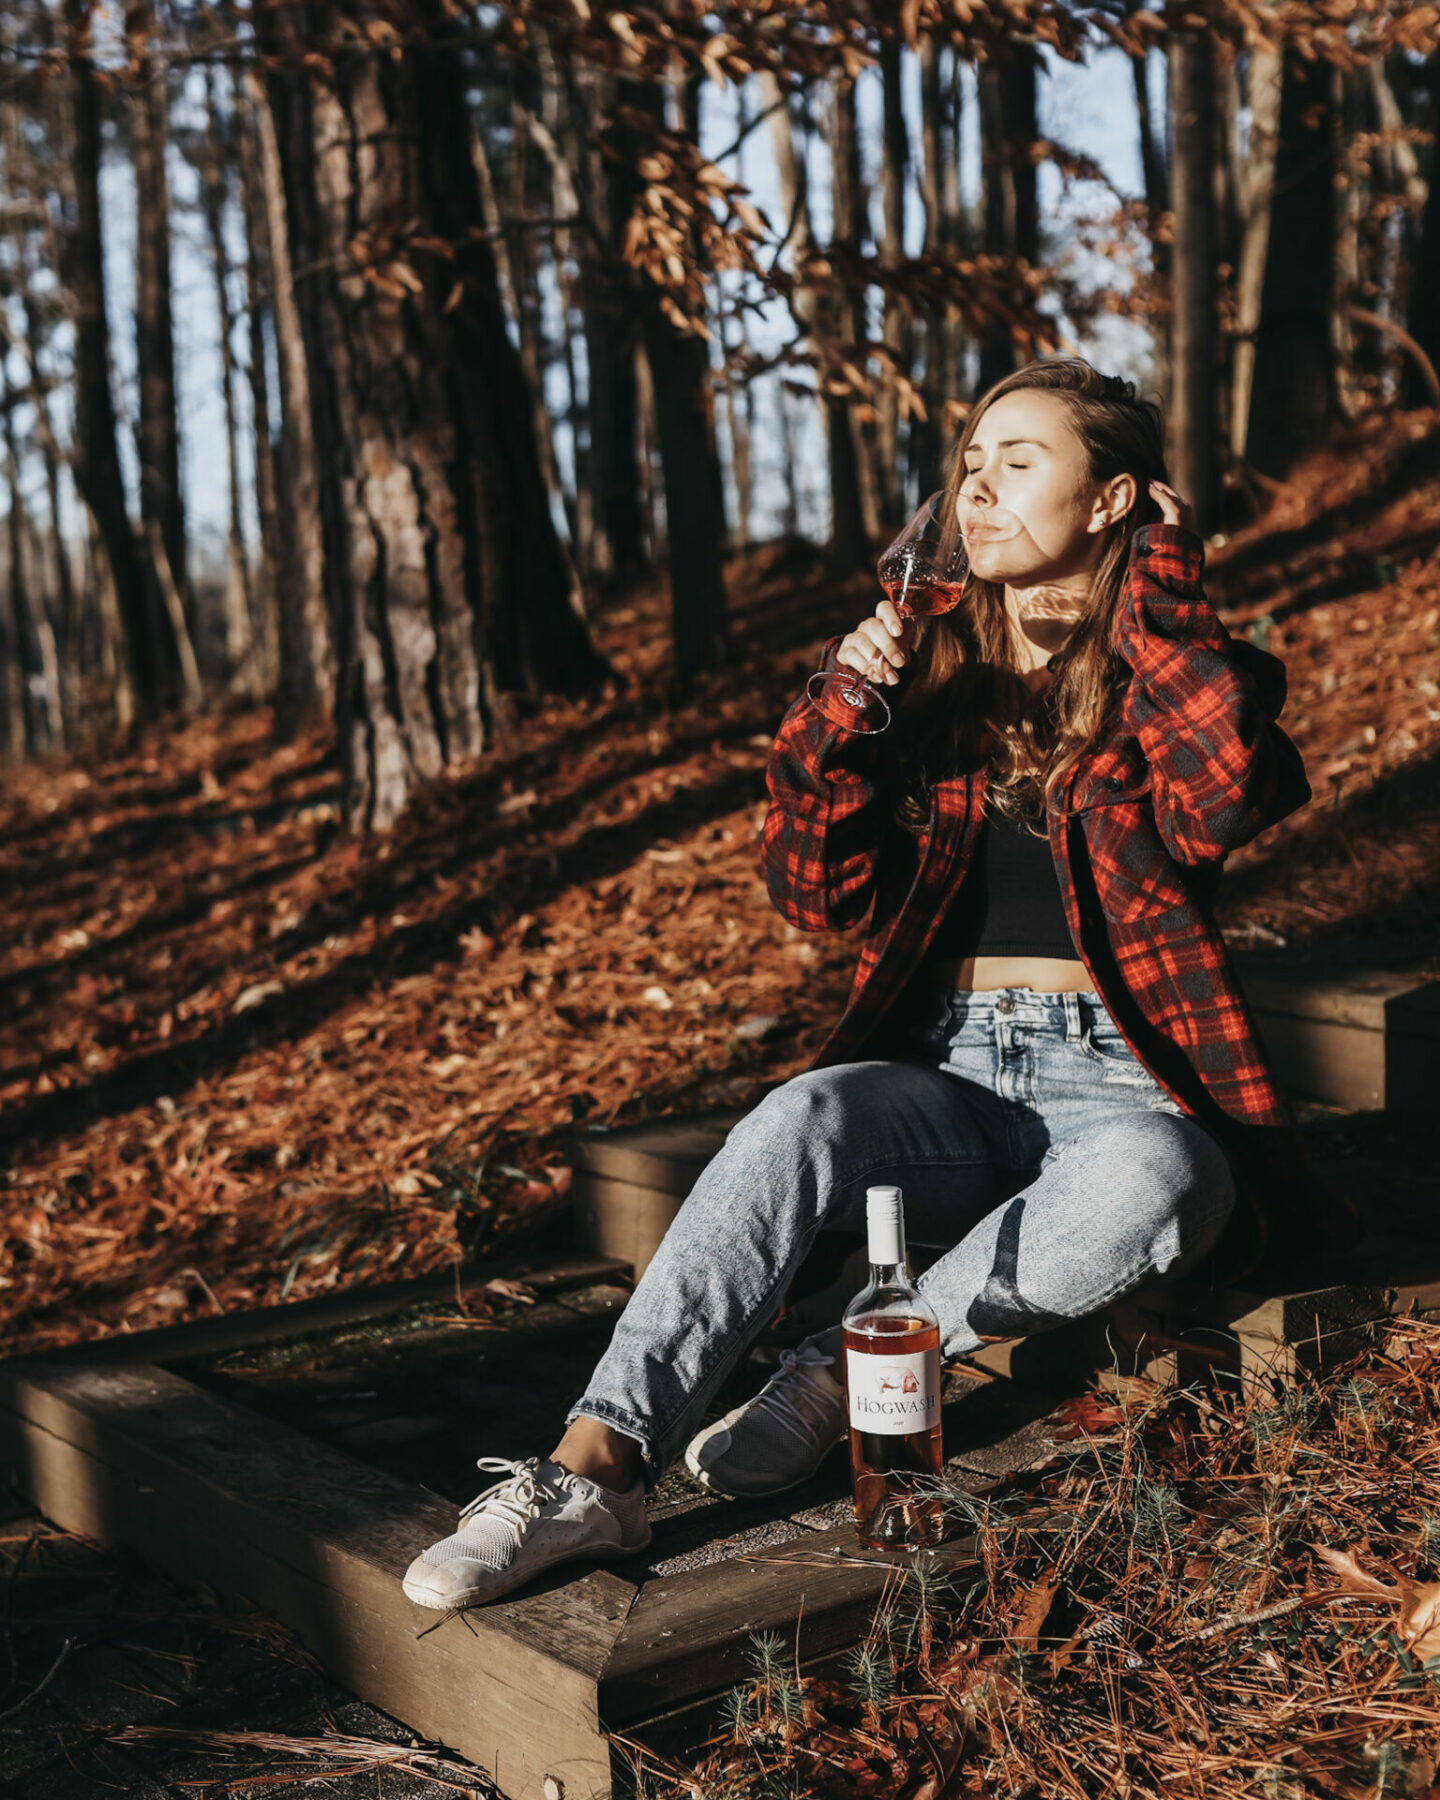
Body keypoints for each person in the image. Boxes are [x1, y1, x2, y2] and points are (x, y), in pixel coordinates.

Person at [401, 356, 1361, 1613]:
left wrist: (1168, 590)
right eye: (970, 465)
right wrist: (846, 710)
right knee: (803, 1114)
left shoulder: (1181, 673)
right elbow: (813, 894)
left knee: (1167, 1178)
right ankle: (594, 1466)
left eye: (1021, 462)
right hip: (951, 1076)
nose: (979, 489)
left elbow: (1225, 793)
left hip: (1122, 1082)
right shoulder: (927, 679)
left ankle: (837, 1368)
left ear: (1116, 499)